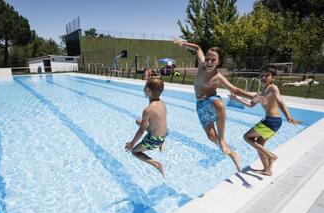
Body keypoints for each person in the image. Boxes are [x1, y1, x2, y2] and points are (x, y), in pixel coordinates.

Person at [173, 38, 259, 172]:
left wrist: (252, 96)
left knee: (219, 104)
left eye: (213, 60)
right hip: (200, 105)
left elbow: (235, 90)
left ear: (218, 62)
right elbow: (198, 48)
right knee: (212, 137)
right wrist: (184, 43)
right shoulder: (201, 65)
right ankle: (232, 154)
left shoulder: (218, 77)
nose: (208, 62)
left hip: (210, 99)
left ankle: (223, 140)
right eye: (207, 58)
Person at [229, 65, 301, 176]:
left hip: (272, 121)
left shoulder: (273, 88)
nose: (263, 78)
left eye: (266, 76)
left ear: (272, 77)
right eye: (262, 76)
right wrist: (237, 99)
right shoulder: (260, 92)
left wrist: (289, 117)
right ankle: (267, 170)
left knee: (246, 137)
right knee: (259, 144)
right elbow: (250, 105)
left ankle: (271, 156)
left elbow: (280, 102)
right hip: (272, 121)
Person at [125, 78, 167, 177]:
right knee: (138, 121)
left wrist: (132, 143)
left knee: (135, 151)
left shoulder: (148, 110)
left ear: (148, 90)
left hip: (155, 140)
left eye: (144, 87)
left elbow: (141, 131)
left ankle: (156, 164)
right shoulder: (162, 103)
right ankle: (162, 142)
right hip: (164, 134)